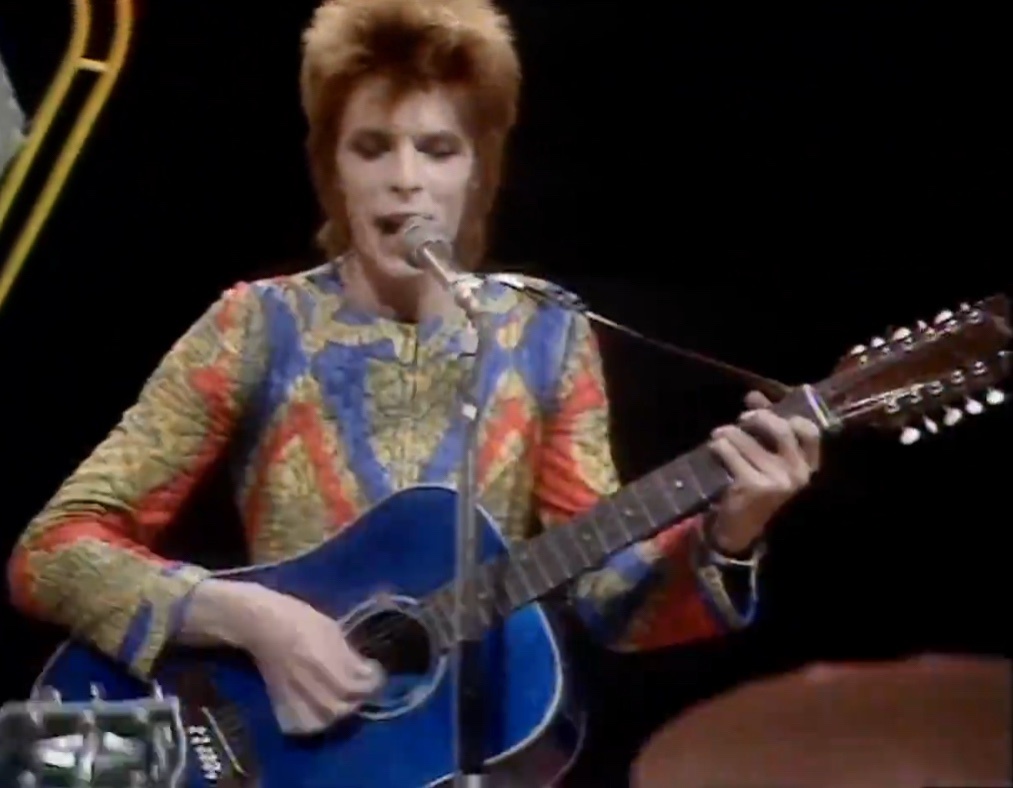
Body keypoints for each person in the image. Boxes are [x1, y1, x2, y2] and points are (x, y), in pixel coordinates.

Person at [8, 0, 820, 744]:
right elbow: (52, 551)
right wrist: (247, 616)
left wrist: (728, 532)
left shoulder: (546, 335)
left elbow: (607, 599)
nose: (405, 178)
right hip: (277, 751)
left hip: (459, 749)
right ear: (333, 170)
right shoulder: (255, 325)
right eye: (372, 147)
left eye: (438, 149)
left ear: (477, 173)